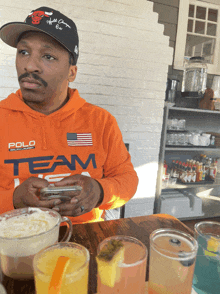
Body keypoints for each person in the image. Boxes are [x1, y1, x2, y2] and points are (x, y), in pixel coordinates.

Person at [0, 6, 138, 224]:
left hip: (86, 242)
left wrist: (99, 191)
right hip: (16, 246)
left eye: (48, 56)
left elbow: (128, 180)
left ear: (71, 72)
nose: (29, 65)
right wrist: (14, 199)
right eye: (23, 52)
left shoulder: (101, 121)